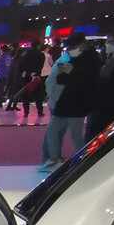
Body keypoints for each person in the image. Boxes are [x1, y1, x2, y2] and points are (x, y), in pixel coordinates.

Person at [40, 33, 99, 172]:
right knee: (55, 132)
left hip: (77, 103)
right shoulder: (76, 58)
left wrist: (70, 74)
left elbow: (80, 79)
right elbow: (62, 78)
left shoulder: (90, 59)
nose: (70, 50)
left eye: (72, 47)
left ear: (81, 45)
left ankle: (82, 161)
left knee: (75, 135)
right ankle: (54, 159)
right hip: (66, 101)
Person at [8, 42, 45, 118]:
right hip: (36, 76)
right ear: (38, 46)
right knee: (38, 95)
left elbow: (20, 64)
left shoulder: (25, 53)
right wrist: (36, 73)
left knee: (25, 95)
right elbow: (41, 65)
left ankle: (26, 112)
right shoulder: (41, 54)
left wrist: (23, 73)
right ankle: (40, 112)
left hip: (26, 75)